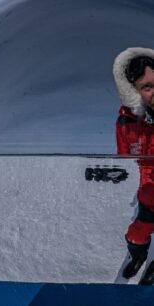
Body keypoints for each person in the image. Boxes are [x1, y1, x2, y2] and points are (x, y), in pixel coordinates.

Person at [113, 47, 154, 285]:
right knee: (137, 232)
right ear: (135, 92)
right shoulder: (128, 122)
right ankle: (138, 254)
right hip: (149, 192)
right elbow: (124, 160)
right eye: (147, 87)